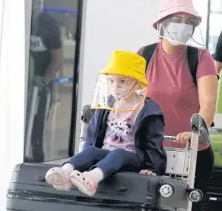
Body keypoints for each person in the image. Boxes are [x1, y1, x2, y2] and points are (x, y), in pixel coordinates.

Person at [45, 51, 167, 196]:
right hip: (104, 155)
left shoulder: (149, 111)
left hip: (131, 159)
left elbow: (153, 145)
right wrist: (85, 161)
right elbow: (92, 135)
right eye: (111, 81)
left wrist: (152, 169)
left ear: (137, 82)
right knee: (91, 151)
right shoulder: (106, 106)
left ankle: (91, 179)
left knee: (118, 153)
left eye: (122, 81)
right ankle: (64, 173)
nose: (115, 86)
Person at [137, 0, 218, 211]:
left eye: (188, 21)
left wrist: (197, 131)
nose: (183, 26)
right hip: (150, 153)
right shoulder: (143, 55)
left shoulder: (200, 57)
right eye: (176, 19)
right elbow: (130, 101)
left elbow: (208, 102)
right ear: (162, 23)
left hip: (191, 156)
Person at [25, 0, 63, 162]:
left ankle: (37, 164)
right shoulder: (19, 20)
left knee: (36, 132)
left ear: (39, 0)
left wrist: (42, 82)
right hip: (22, 87)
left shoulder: (49, 25)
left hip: (40, 89)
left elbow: (57, 61)